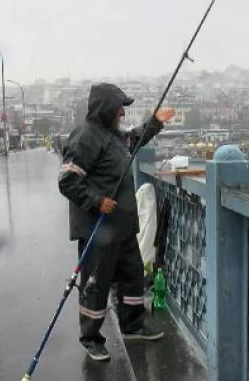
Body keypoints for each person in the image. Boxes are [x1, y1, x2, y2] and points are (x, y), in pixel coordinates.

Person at [58, 83, 174, 361]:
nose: (122, 113)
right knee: (95, 285)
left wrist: (155, 123)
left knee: (133, 277)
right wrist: (97, 201)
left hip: (122, 227)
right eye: (119, 107)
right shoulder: (85, 137)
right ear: (106, 108)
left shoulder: (112, 136)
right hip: (98, 229)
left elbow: (134, 140)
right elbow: (67, 181)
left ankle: (133, 324)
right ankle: (91, 338)